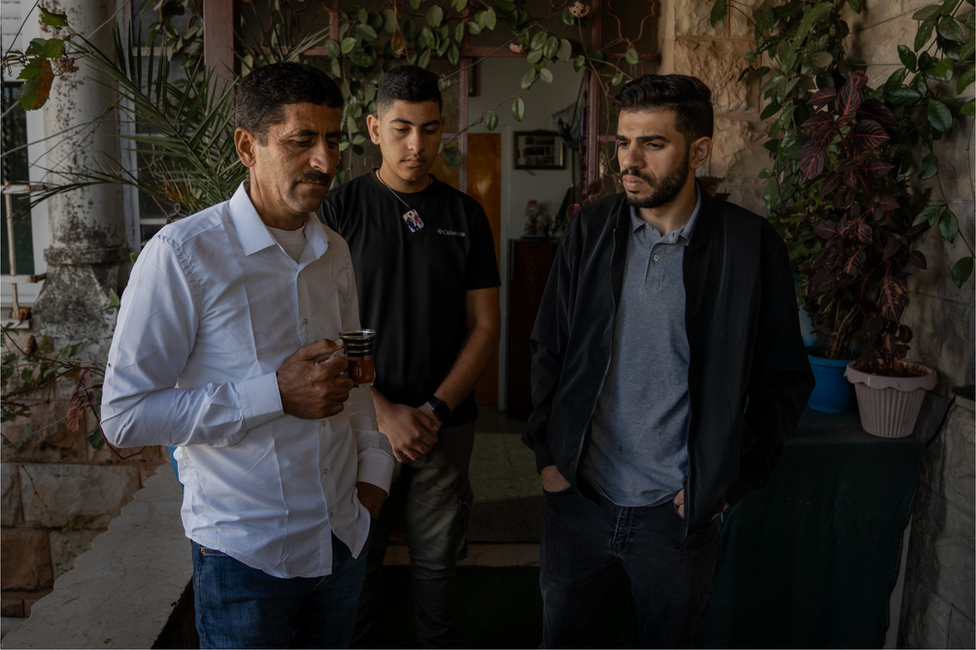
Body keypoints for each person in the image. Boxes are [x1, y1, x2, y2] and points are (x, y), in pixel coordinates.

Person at [100, 62, 395, 649]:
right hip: (245, 556)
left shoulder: (332, 250)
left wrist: (374, 473)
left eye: (333, 140)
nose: (326, 161)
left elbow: (352, 373)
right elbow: (124, 415)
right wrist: (275, 394)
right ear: (247, 146)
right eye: (301, 141)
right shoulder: (183, 255)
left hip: (341, 535)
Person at [522, 74, 815, 648]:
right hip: (578, 496)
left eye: (652, 144)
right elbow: (548, 347)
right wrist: (550, 457)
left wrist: (726, 479)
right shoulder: (589, 229)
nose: (629, 160)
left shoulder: (749, 246)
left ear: (699, 151)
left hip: (677, 515)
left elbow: (784, 379)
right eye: (623, 142)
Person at [320, 64, 501, 648]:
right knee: (356, 563)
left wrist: (431, 411)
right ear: (373, 128)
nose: (415, 145)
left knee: (436, 566)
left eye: (428, 129)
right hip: (357, 423)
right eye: (401, 128)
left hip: (444, 426)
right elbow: (319, 329)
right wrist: (384, 412)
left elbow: (485, 326)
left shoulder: (466, 216)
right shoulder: (339, 212)